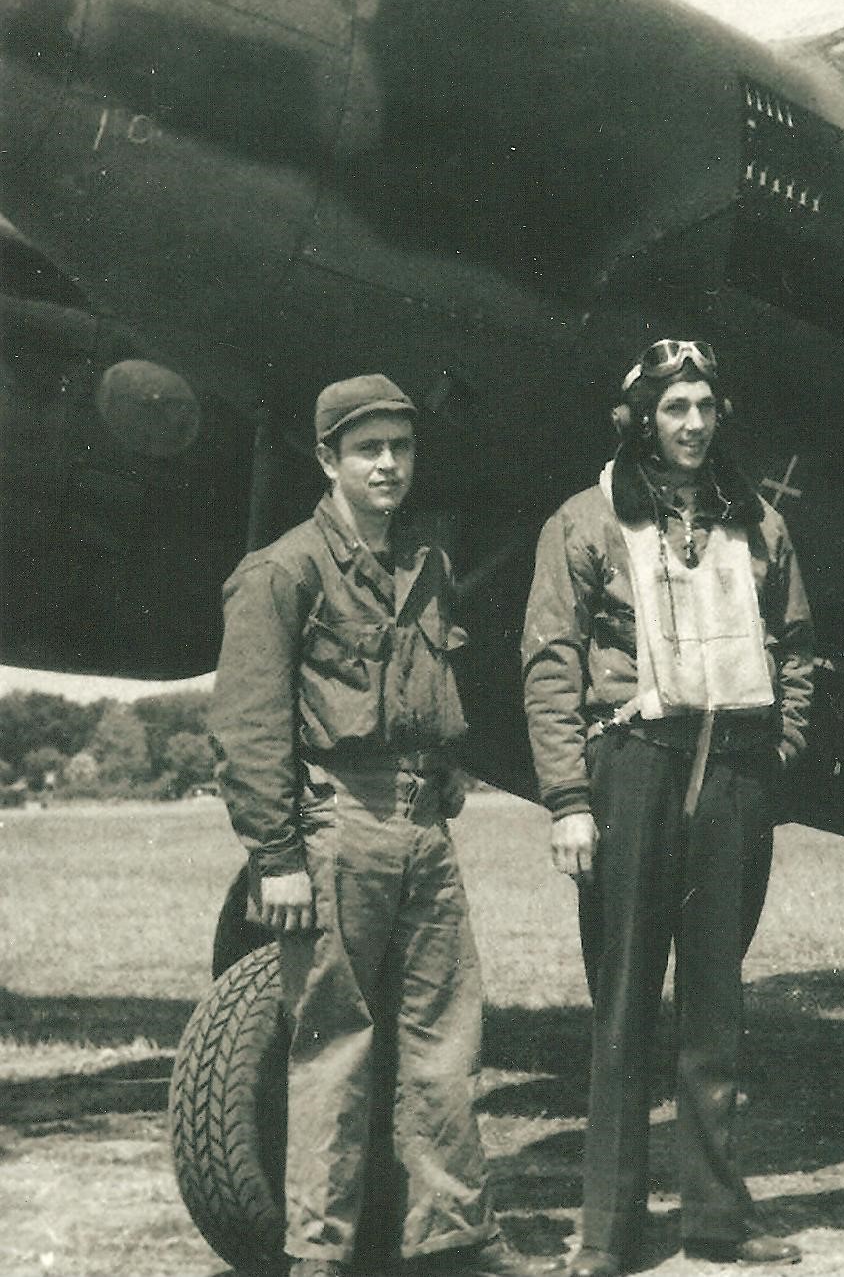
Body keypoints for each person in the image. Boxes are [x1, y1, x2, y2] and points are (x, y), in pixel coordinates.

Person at [210, 374, 542, 1277]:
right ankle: (319, 1254)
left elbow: (429, 691)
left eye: (400, 446)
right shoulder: (283, 571)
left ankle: (454, 1234)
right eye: (368, 449)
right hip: (336, 827)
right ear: (328, 460)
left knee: (445, 1041)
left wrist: (446, 767)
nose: (388, 464)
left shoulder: (424, 566)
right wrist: (276, 855)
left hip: (423, 830)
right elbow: (247, 724)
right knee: (334, 1046)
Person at [522, 339, 814, 1277]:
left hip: (732, 772)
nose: (692, 423)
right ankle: (607, 1233)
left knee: (717, 1005)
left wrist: (779, 754)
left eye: (705, 406)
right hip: (633, 766)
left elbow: (797, 648)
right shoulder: (585, 519)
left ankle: (717, 1219)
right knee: (623, 1005)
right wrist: (569, 798)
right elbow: (550, 666)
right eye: (674, 406)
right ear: (642, 418)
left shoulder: (758, 522)